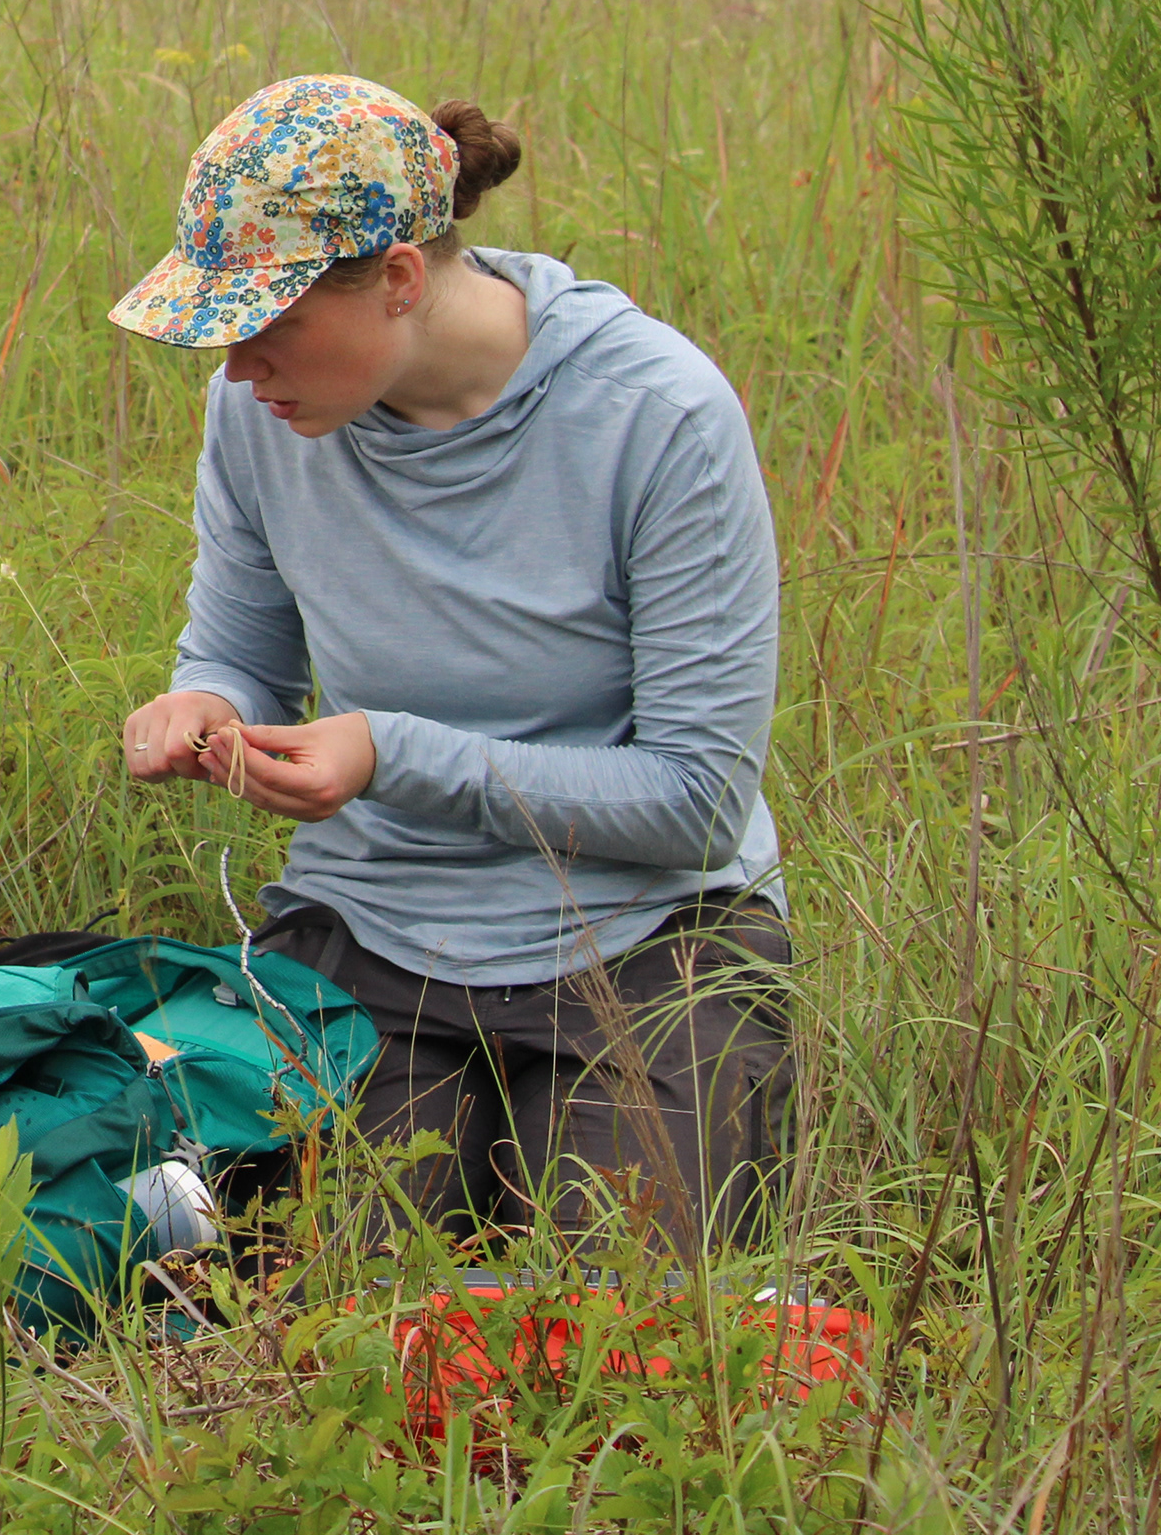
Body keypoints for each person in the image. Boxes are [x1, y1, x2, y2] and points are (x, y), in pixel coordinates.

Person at [108, 75, 794, 1255]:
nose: (235, 369)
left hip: (646, 937)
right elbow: (241, 649)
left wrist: (390, 753)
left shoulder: (657, 415)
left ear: (404, 279)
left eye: (266, 325)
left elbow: (698, 798)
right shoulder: (265, 417)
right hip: (372, 929)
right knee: (331, 1294)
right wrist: (204, 705)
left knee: (612, 1310)